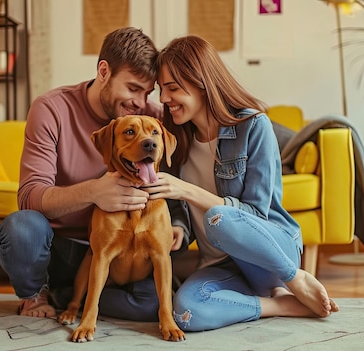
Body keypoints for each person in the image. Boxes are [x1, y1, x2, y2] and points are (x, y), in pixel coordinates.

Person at [142, 35, 339, 332]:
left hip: (272, 256)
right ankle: (279, 305)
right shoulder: (175, 139)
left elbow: (255, 216)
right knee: (185, 313)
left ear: (202, 83)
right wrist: (179, 229)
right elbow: (180, 209)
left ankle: (294, 279)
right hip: (221, 266)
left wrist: (188, 190)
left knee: (217, 218)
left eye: (172, 88)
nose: (164, 99)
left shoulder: (253, 126)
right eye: (161, 90)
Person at [0, 27, 184, 320]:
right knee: (21, 227)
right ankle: (37, 295)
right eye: (133, 88)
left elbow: (186, 160)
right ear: (104, 71)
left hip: (125, 254)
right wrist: (96, 191)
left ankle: (77, 300)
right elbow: (30, 197)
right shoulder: (51, 109)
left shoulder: (150, 118)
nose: (141, 100)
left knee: (160, 307)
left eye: (148, 92)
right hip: (61, 250)